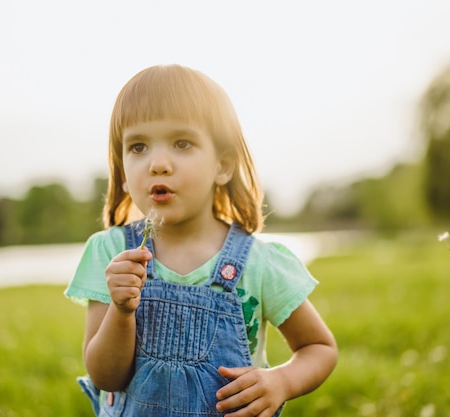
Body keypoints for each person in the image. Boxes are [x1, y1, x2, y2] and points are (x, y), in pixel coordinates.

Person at [64, 64, 338, 417]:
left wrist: (281, 381)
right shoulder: (111, 253)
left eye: (182, 143)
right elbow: (106, 377)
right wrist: (121, 310)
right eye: (138, 146)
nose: (158, 164)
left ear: (222, 165)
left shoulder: (257, 261)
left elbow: (319, 347)